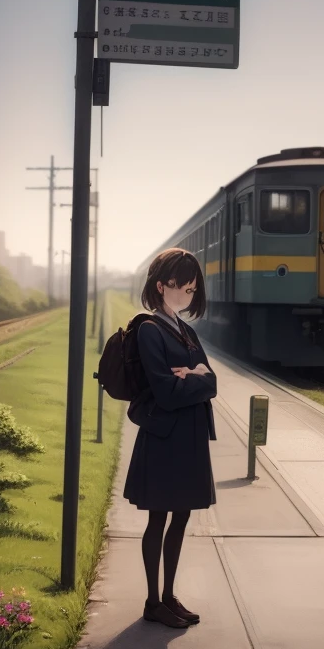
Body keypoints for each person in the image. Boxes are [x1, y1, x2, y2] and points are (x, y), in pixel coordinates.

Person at [123, 248, 217, 629]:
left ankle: (168, 596)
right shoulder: (148, 330)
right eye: (182, 287)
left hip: (188, 438)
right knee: (158, 520)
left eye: (193, 290)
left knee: (181, 519)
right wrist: (195, 378)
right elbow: (165, 393)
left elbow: (212, 381)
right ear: (161, 286)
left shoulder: (187, 330)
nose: (187, 295)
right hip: (164, 440)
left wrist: (195, 376)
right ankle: (151, 601)